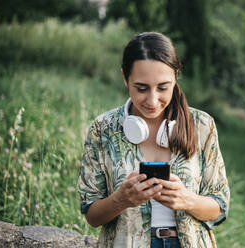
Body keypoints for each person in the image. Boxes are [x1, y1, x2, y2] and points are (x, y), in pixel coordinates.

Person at [78, 32, 230, 248]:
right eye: (141, 88)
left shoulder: (202, 125)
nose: (152, 100)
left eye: (163, 87)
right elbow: (92, 216)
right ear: (124, 78)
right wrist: (120, 200)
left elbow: (220, 206)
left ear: (176, 78)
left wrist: (188, 200)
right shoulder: (102, 129)